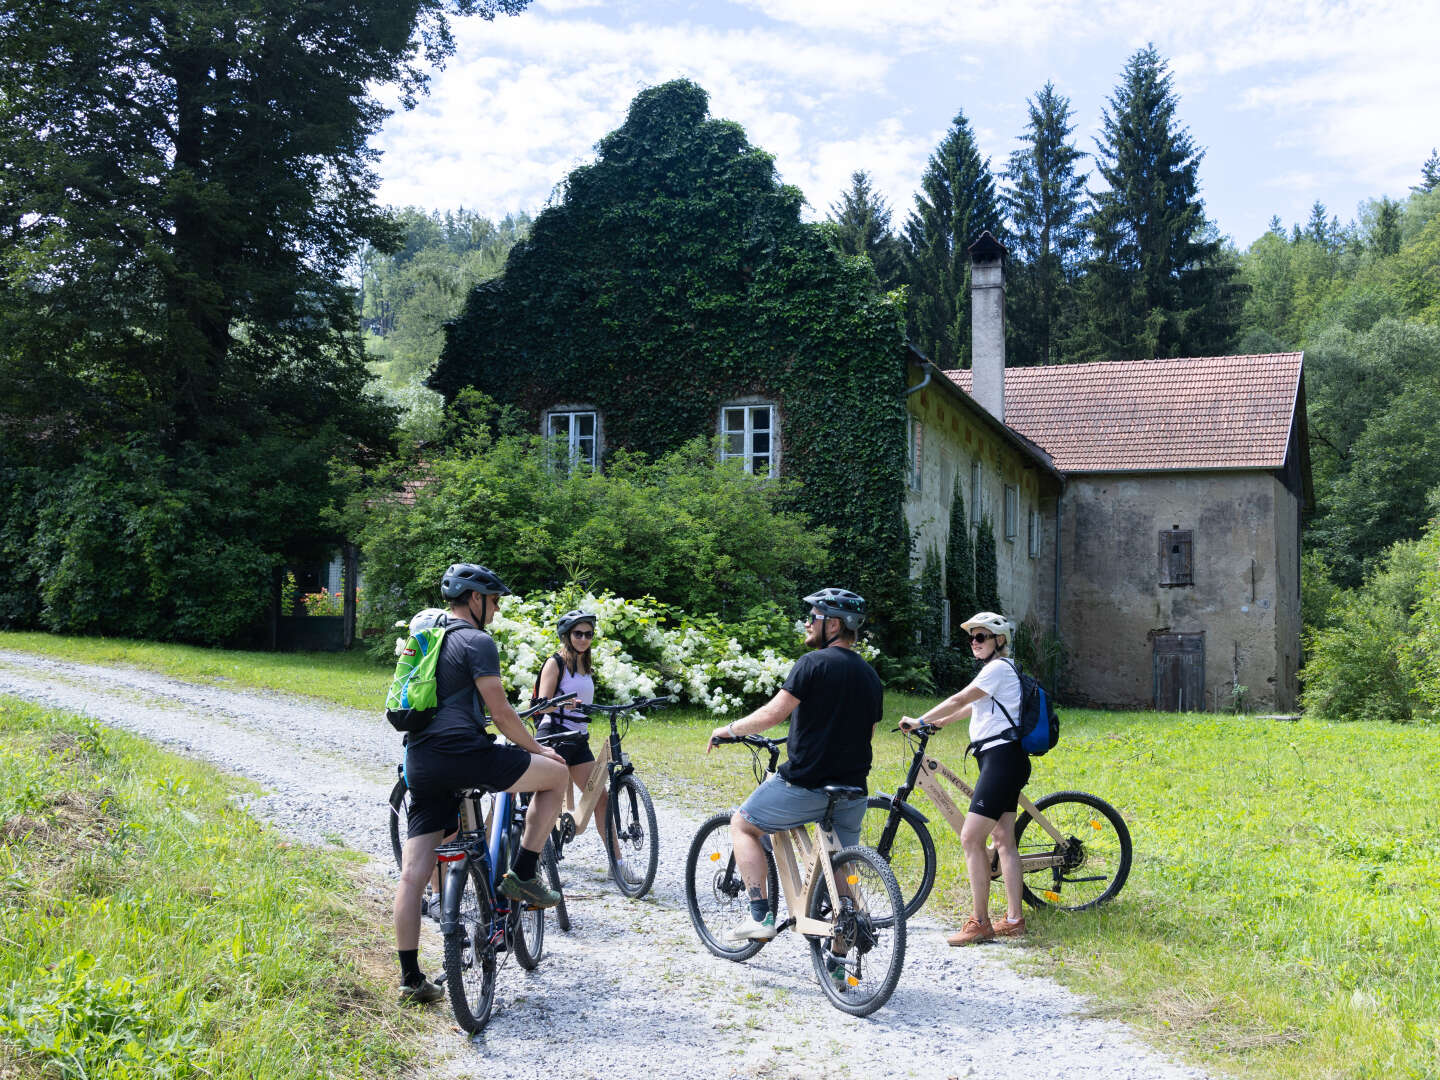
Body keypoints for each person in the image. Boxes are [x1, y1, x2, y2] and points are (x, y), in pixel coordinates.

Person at [393, 563, 569, 1004]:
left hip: (420, 762)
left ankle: (411, 977)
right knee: (557, 775)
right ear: (475, 599)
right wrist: (538, 750)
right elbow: (503, 713)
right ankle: (524, 876)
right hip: (466, 756)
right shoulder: (476, 641)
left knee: (413, 872)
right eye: (493, 602)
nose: (494, 610)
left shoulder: (426, 638)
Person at [706, 588, 882, 948]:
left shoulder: (812, 664)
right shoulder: (870, 677)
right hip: (852, 792)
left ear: (832, 624)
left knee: (742, 824)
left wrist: (729, 730)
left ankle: (759, 916)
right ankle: (838, 965)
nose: (806, 622)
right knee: (840, 871)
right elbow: (868, 733)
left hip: (805, 786)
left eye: (812, 616)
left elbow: (773, 714)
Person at [900, 611, 1029, 944]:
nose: (975, 642)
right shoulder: (997, 672)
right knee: (1004, 840)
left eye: (981, 636)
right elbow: (970, 707)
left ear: (999, 640)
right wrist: (939, 723)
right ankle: (1014, 919)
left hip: (1001, 760)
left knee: (972, 838)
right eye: (972, 637)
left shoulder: (999, 668)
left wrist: (919, 718)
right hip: (1003, 759)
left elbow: (961, 697)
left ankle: (979, 922)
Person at [533, 610, 641, 884]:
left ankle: (616, 864)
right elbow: (541, 703)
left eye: (588, 634)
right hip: (555, 735)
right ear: (567, 635)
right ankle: (535, 865)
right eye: (578, 633)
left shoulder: (585, 665)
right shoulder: (555, 663)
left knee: (599, 798)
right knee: (548, 802)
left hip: (578, 739)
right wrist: (563, 703)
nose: (583, 638)